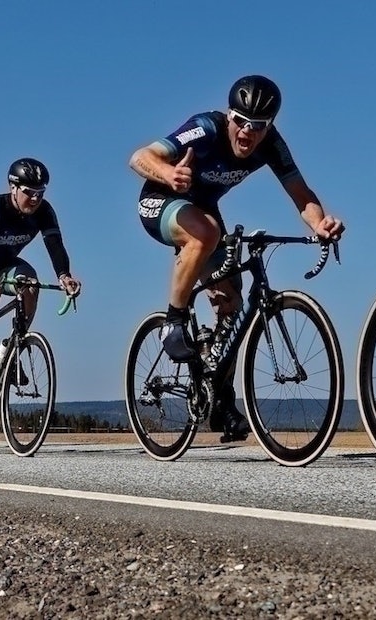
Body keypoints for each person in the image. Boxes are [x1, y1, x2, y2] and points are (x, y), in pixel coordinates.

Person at [129, 74, 344, 441]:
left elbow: (300, 193)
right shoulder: (206, 128)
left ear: (269, 126)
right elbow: (139, 157)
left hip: (203, 210)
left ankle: (220, 399)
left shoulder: (271, 145)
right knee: (207, 232)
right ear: (229, 116)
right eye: (241, 121)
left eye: (258, 126)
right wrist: (168, 172)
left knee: (232, 303)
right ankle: (174, 318)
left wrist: (320, 222)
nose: (247, 131)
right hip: (160, 201)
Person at [0, 158, 82, 439]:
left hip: (5, 264)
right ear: (13, 187)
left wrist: (64, 275)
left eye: (40, 193)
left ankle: (14, 345)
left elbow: (55, 245)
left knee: (30, 283)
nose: (35, 199)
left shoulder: (44, 211)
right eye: (29, 192)